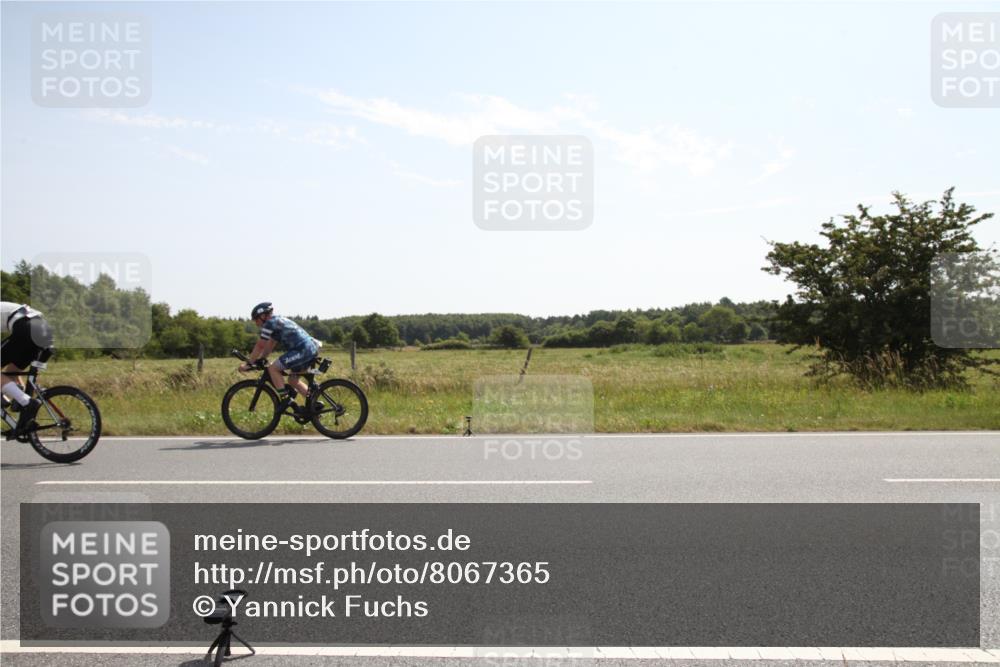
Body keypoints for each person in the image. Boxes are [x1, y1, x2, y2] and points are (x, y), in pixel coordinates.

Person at [241, 302, 320, 413]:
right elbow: (271, 343)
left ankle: (285, 399)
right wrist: (262, 358)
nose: (255, 322)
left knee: (273, 368)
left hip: (302, 349)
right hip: (308, 348)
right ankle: (314, 404)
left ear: (263, 316)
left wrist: (249, 363)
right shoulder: (276, 321)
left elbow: (260, 345)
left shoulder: (270, 323)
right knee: (293, 380)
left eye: (256, 319)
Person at [1, 301, 53, 433]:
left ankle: (26, 402)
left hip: (26, 329)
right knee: (12, 371)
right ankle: (22, 404)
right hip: (44, 331)